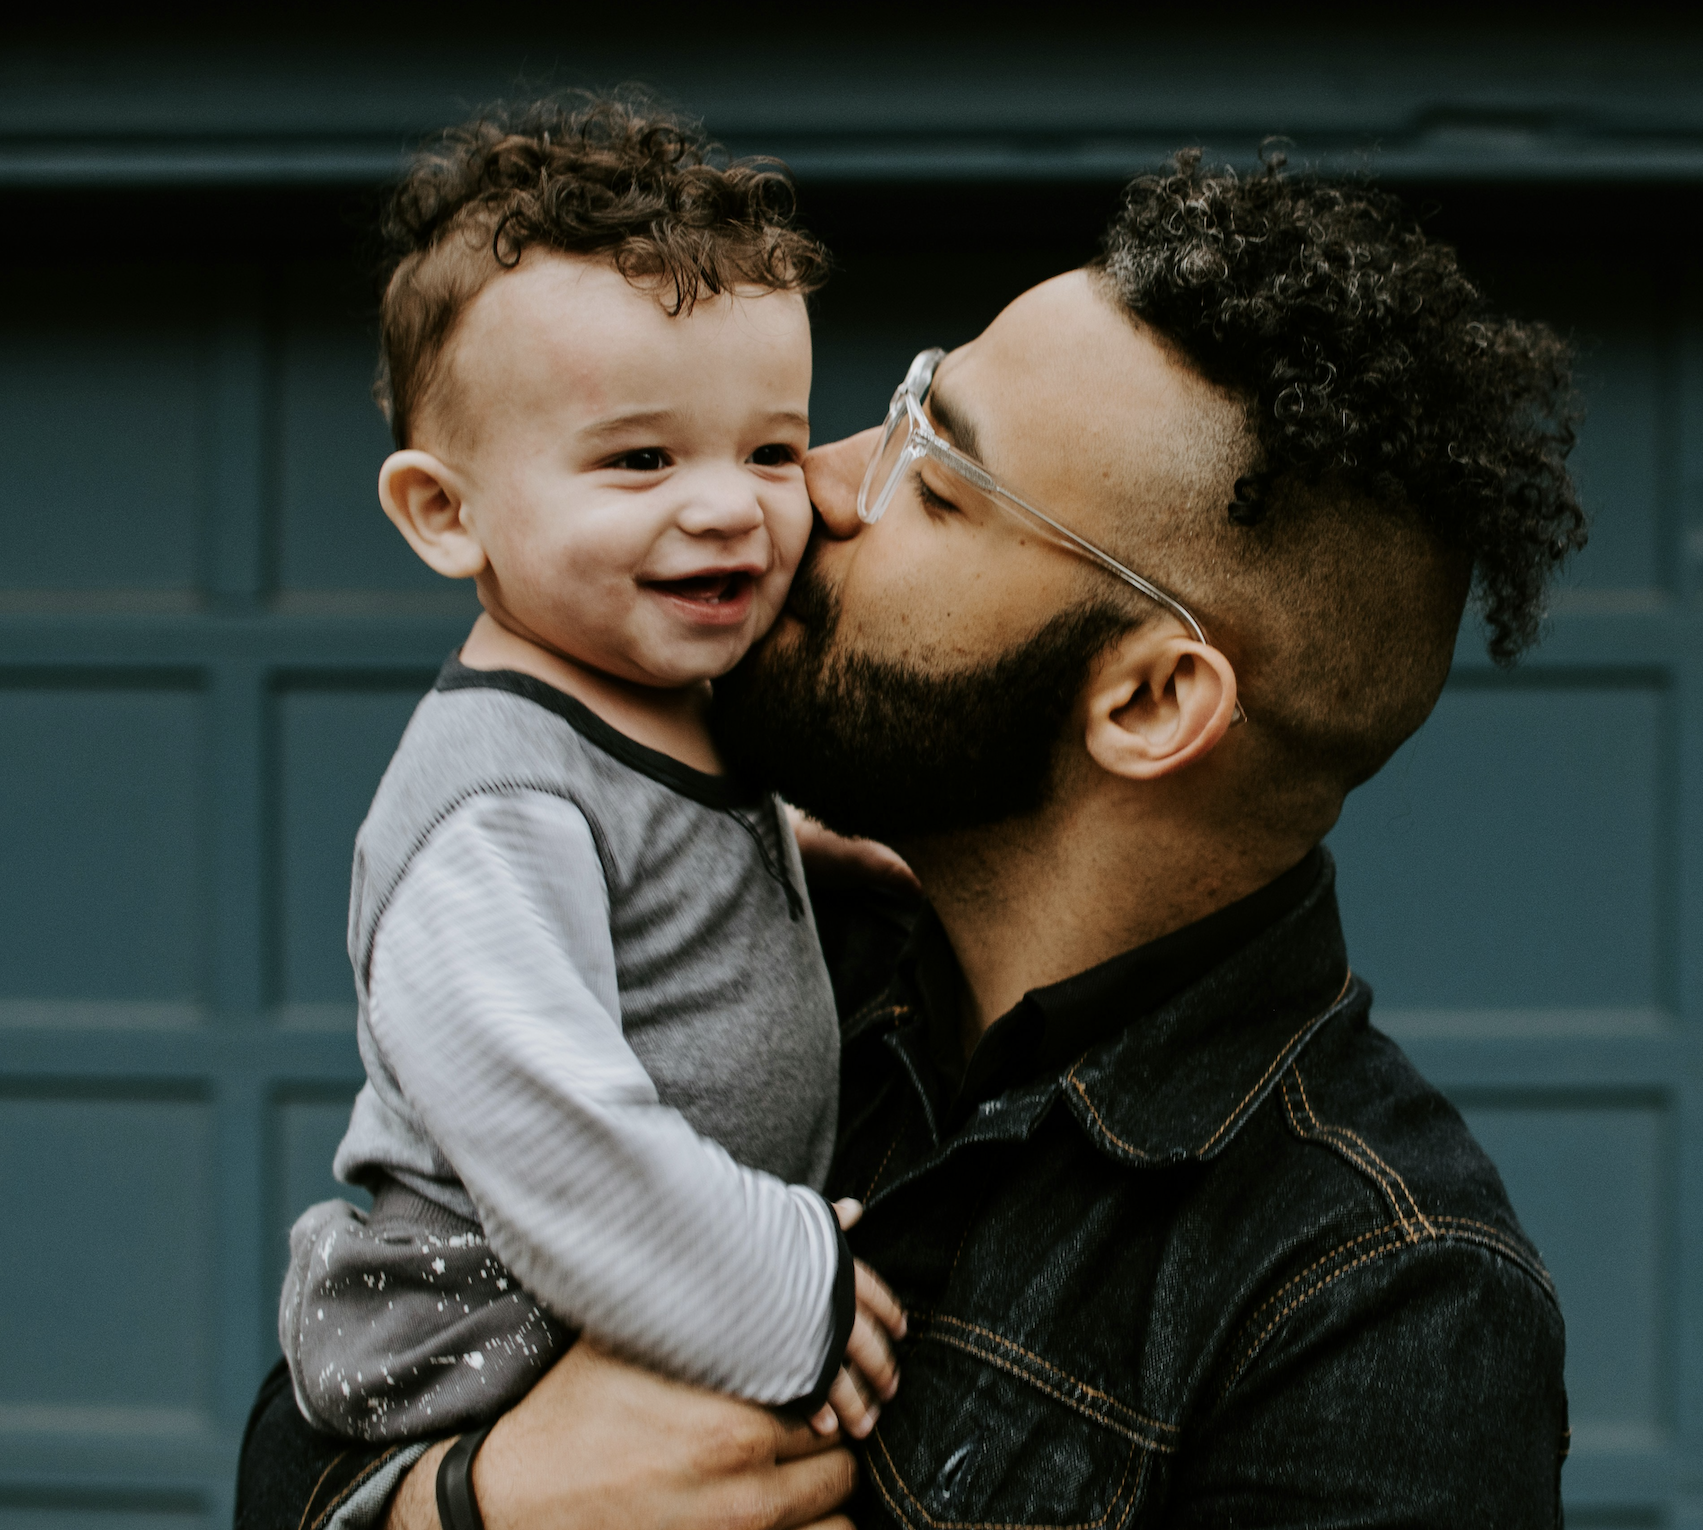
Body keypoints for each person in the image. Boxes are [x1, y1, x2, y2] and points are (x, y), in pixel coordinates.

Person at [239, 149, 1584, 1528]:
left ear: (1148, 697)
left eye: (934, 482)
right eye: (891, 418)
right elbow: (319, 1409)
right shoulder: (753, 941)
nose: (808, 488)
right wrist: (470, 1504)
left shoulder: (1376, 1299)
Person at [276, 94, 904, 1453]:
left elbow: (656, 856)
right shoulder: (494, 805)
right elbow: (549, 1126)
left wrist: (794, 848)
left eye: (772, 450)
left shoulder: (662, 701)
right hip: (484, 1328)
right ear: (446, 512)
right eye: (639, 458)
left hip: (626, 1296)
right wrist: (782, 1288)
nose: (728, 503)